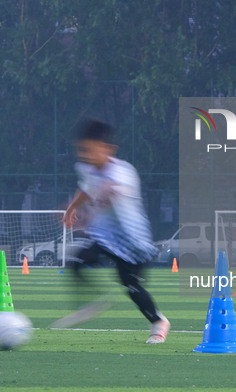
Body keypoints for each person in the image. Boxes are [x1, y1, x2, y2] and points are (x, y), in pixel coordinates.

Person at [62, 118, 170, 344]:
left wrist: (97, 204)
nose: (86, 156)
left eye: (91, 150)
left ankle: (158, 322)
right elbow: (86, 187)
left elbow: (113, 190)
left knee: (130, 285)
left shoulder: (122, 171)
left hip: (133, 243)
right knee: (76, 263)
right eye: (82, 150)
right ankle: (95, 302)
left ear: (108, 149)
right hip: (106, 238)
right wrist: (73, 207)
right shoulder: (86, 168)